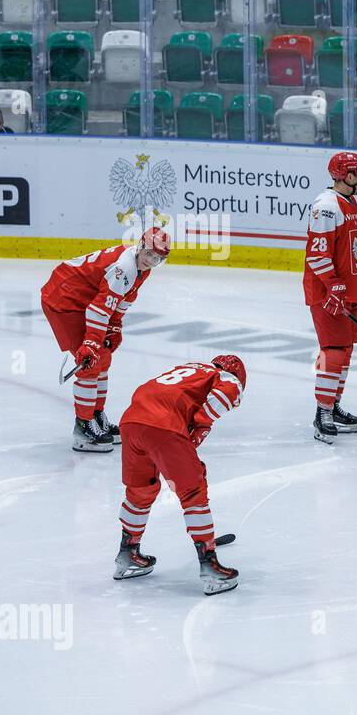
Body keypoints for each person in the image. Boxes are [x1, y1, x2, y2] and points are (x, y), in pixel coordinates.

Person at [114, 356, 245, 595]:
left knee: (140, 490)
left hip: (131, 421)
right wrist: (201, 424)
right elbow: (224, 394)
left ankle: (127, 553)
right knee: (193, 489)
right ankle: (210, 565)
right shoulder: (226, 377)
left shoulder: (188, 370)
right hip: (163, 424)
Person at [41, 227, 172, 451]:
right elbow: (98, 311)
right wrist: (91, 343)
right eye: (150, 254)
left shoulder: (140, 268)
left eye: (157, 258)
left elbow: (122, 298)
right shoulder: (124, 267)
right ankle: (83, 427)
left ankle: (95, 416)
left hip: (81, 298)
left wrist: (114, 327)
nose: (151, 261)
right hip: (64, 300)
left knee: (103, 359)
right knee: (91, 363)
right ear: (141, 246)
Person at [306, 151, 357, 444]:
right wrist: (332, 285)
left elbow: (351, 249)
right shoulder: (327, 206)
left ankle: (332, 405)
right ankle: (322, 412)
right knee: (332, 349)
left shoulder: (350, 202)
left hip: (346, 290)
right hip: (328, 293)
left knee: (345, 350)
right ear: (347, 176)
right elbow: (317, 254)